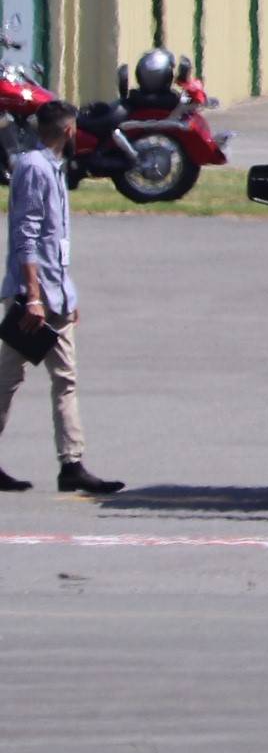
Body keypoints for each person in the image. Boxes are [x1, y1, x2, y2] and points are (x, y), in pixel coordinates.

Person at [0, 103, 116, 495]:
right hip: (34, 299)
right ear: (68, 131)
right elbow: (26, 236)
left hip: (55, 295)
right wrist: (32, 298)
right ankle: (72, 463)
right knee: (8, 378)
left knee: (65, 378)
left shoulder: (53, 168)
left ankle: (72, 464)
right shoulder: (34, 168)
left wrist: (67, 292)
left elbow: (55, 242)